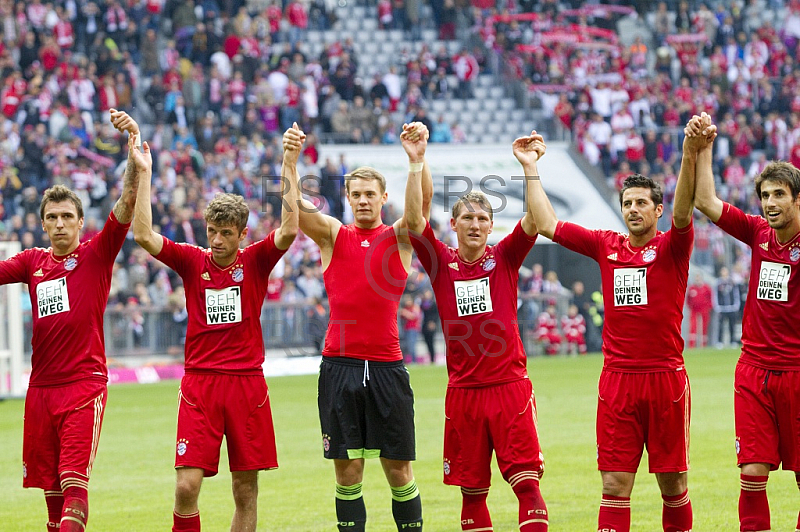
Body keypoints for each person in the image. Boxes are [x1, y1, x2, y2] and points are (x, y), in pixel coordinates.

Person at [526, 120, 701, 532]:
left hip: (664, 379)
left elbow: (684, 210)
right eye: (628, 203)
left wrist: (690, 153)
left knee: (673, 482)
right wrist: (530, 168)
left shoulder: (673, 246)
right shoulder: (607, 246)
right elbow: (548, 224)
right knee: (614, 482)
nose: (634, 210)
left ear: (658, 210)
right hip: (618, 380)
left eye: (642, 203)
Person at [132, 123, 301, 532]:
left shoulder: (257, 260)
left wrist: (289, 162)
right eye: (213, 232)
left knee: (245, 492)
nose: (219, 240)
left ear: (243, 234)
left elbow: (292, 228)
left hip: (246, 383)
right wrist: (144, 173)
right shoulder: (192, 260)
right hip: (201, 385)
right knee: (187, 486)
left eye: (227, 233)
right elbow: (142, 234)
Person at [0, 109, 146, 532]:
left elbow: (125, 203)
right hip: (41, 390)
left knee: (73, 484)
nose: (60, 224)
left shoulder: (98, 254)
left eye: (68, 217)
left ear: (81, 223)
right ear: (43, 224)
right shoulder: (32, 262)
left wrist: (133, 147)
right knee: (50, 497)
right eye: (52, 217)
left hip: (83, 386)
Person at [283, 122, 431, 531]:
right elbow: (294, 212)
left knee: (399, 471)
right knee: (347, 476)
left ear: (384, 198)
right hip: (339, 366)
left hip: (386, 367)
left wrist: (416, 161)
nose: (363, 201)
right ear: (346, 199)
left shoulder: (399, 237)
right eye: (356, 194)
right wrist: (290, 160)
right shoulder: (334, 235)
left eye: (371, 194)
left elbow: (418, 216)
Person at [403, 129, 549, 531]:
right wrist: (416, 160)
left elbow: (536, 220)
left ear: (491, 227)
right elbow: (414, 221)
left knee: (528, 486)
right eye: (467, 217)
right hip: (464, 393)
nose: (475, 224)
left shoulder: (505, 257)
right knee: (472, 493)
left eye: (483, 219)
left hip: (509, 387)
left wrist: (530, 166)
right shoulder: (439, 263)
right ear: (453, 223)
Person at [687, 112, 800, 532]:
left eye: (779, 195)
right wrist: (706, 147)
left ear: (798, 199)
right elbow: (705, 202)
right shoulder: (757, 233)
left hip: (797, 371)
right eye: (765, 195)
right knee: (752, 472)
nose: (770, 203)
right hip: (753, 371)